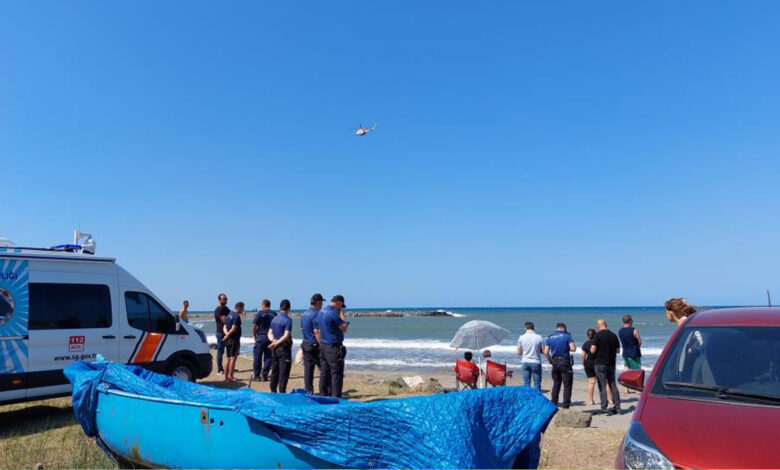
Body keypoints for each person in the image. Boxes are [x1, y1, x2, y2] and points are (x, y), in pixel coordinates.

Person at [319, 295, 349, 398]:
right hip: (333, 347)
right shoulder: (333, 314)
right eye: (340, 306)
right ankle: (336, 398)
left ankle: (323, 394)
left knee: (324, 372)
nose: (340, 308)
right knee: (336, 373)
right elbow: (344, 328)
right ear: (338, 302)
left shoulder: (321, 312)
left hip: (323, 345)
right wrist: (342, 316)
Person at [590, 319, 621, 415]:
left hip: (600, 363)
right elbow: (618, 350)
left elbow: (592, 350)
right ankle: (618, 406)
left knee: (602, 385)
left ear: (598, 325)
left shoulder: (598, 336)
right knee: (612, 384)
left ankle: (604, 406)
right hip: (611, 363)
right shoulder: (613, 335)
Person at [542, 323, 576, 408]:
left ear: (556, 328)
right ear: (564, 328)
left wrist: (550, 360)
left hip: (555, 361)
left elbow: (545, 352)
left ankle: (554, 402)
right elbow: (573, 348)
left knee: (556, 383)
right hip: (564, 361)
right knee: (567, 384)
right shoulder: (567, 336)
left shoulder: (550, 337)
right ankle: (566, 404)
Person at [301, 293, 324, 394]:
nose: (322, 304)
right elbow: (317, 331)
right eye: (321, 302)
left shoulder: (305, 314)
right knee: (324, 368)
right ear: (318, 302)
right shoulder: (316, 314)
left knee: (308, 370)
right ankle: (324, 390)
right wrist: (321, 344)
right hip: (313, 345)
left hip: (306, 343)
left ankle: (309, 391)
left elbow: (302, 329)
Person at [268, 299, 293, 393]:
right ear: (289, 308)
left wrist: (272, 340)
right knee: (283, 373)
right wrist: (276, 342)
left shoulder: (275, 318)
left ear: (280, 307)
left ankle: (273, 391)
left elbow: (269, 333)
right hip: (283, 348)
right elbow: (286, 335)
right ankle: (282, 392)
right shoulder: (288, 320)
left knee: (275, 371)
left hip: (274, 348)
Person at [252, 299, 277, 381]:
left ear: (263, 305)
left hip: (261, 336)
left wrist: (254, 335)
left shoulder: (260, 313)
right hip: (270, 337)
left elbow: (254, 325)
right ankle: (265, 375)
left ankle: (257, 375)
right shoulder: (274, 314)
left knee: (257, 357)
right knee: (268, 357)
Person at [618, 314, 643, 393]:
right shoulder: (634, 330)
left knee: (626, 369)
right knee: (636, 370)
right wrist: (638, 346)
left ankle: (626, 388)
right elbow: (639, 340)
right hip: (633, 352)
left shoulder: (620, 331)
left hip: (625, 351)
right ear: (630, 321)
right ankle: (637, 389)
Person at [517, 321, 544, 390]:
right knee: (537, 383)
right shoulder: (539, 337)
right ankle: (537, 398)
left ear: (525, 328)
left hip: (525, 361)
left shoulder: (521, 337)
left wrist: (525, 351)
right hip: (536, 361)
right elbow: (543, 351)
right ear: (533, 328)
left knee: (526, 383)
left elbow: (519, 352)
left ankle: (527, 399)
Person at [222, 301, 244, 382]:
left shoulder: (229, 315)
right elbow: (234, 328)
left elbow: (224, 327)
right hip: (234, 340)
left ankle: (226, 377)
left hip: (229, 340)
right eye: (242, 308)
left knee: (228, 358)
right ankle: (230, 376)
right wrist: (227, 335)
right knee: (232, 358)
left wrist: (226, 335)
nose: (243, 310)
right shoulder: (236, 316)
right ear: (239, 307)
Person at [214, 293, 229, 375]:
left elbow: (232, 316)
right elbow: (225, 320)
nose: (226, 300)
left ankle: (229, 367)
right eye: (224, 299)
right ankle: (220, 369)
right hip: (221, 333)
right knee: (220, 351)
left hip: (227, 332)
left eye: (226, 299)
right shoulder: (219, 310)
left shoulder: (226, 308)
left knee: (229, 350)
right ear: (220, 300)